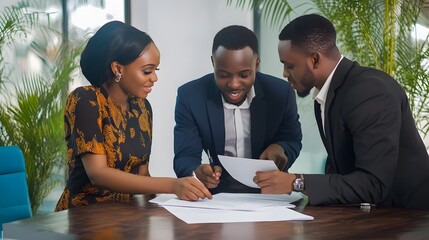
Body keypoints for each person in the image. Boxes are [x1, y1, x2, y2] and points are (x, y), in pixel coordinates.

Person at [254, 14, 429, 210]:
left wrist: (296, 182)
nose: (285, 73)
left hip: (411, 217)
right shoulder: (328, 93)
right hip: (373, 214)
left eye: (290, 65)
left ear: (315, 60)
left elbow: (374, 184)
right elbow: (339, 167)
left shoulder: (370, 92)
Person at [55, 21, 211, 211]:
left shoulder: (142, 107)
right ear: (118, 68)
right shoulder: (86, 100)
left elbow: (142, 174)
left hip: (125, 216)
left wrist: (173, 203)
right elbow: (98, 173)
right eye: (147, 71)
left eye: (156, 70)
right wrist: (172, 185)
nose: (154, 78)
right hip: (82, 216)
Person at [173, 25, 302, 193]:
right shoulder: (190, 96)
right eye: (223, 75)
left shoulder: (281, 93)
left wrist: (281, 148)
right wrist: (197, 173)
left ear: (256, 64)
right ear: (213, 62)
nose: (234, 84)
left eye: (244, 75)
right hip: (217, 195)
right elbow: (185, 156)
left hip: (269, 193)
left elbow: (292, 139)